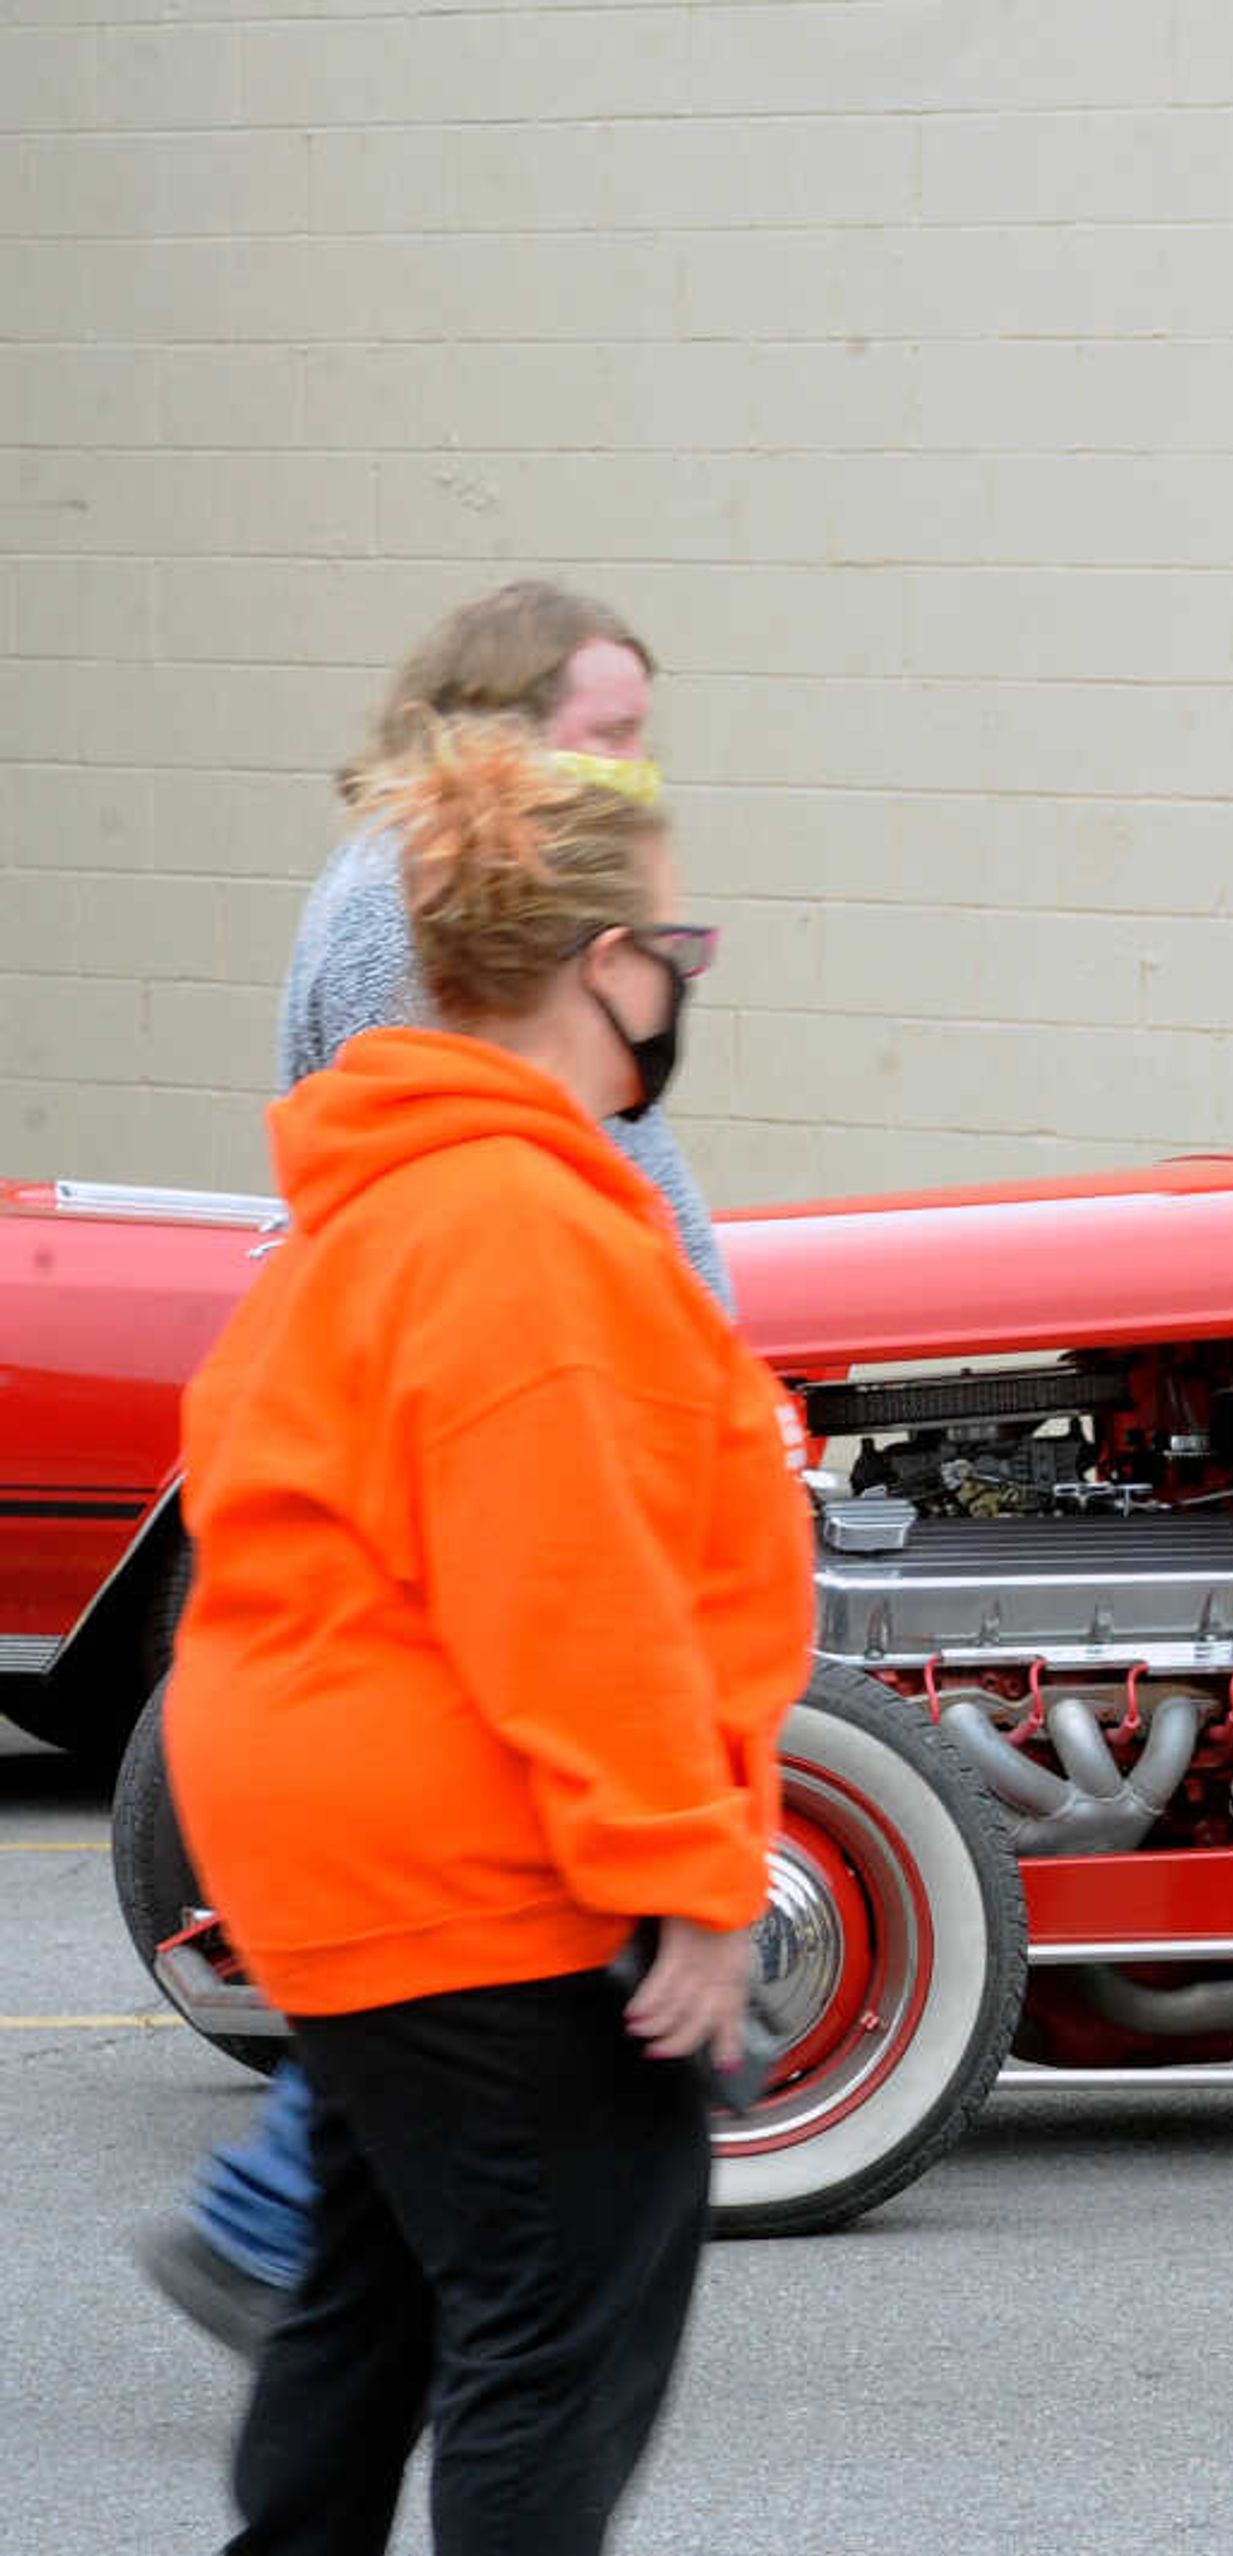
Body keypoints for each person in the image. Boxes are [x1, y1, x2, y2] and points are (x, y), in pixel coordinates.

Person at [167, 720, 805, 2552]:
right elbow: (571, 1594)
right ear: (603, 967)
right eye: (678, 953)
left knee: (369, 2313)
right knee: (557, 2341)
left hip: (347, 1870)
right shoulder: (524, 1231)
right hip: (483, 1871)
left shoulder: (372, 1209)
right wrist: (685, 1874)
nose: (684, 985)